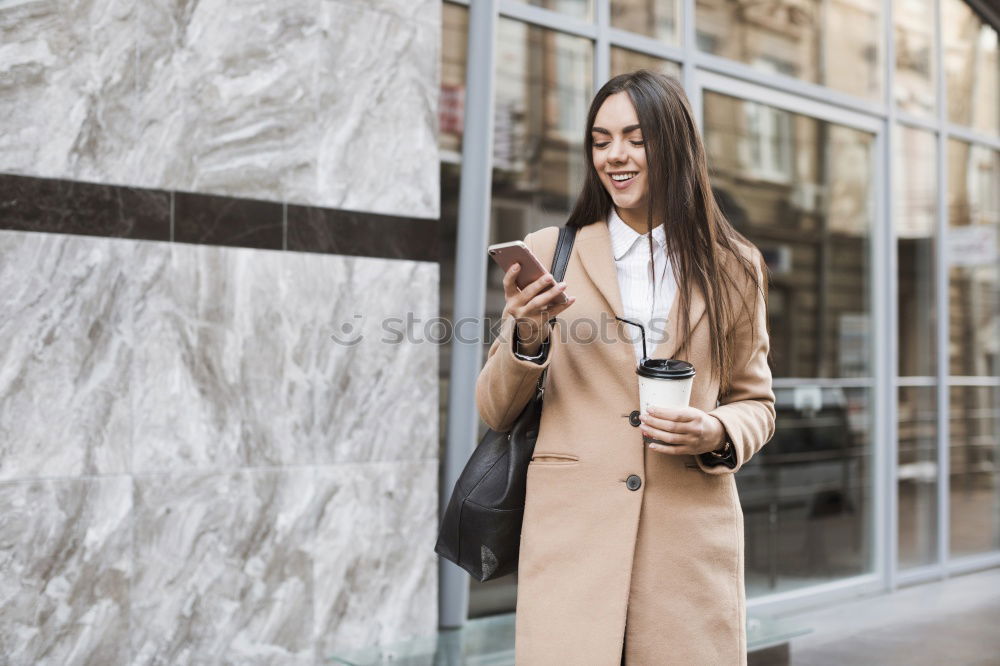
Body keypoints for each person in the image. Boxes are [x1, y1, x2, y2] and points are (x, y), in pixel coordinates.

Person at [475, 70, 775, 665]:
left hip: (687, 546)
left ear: (677, 145)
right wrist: (528, 335)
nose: (616, 156)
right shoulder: (550, 251)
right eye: (601, 139)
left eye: (637, 139)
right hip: (573, 542)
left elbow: (757, 403)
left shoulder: (735, 267)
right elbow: (494, 409)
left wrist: (716, 431)